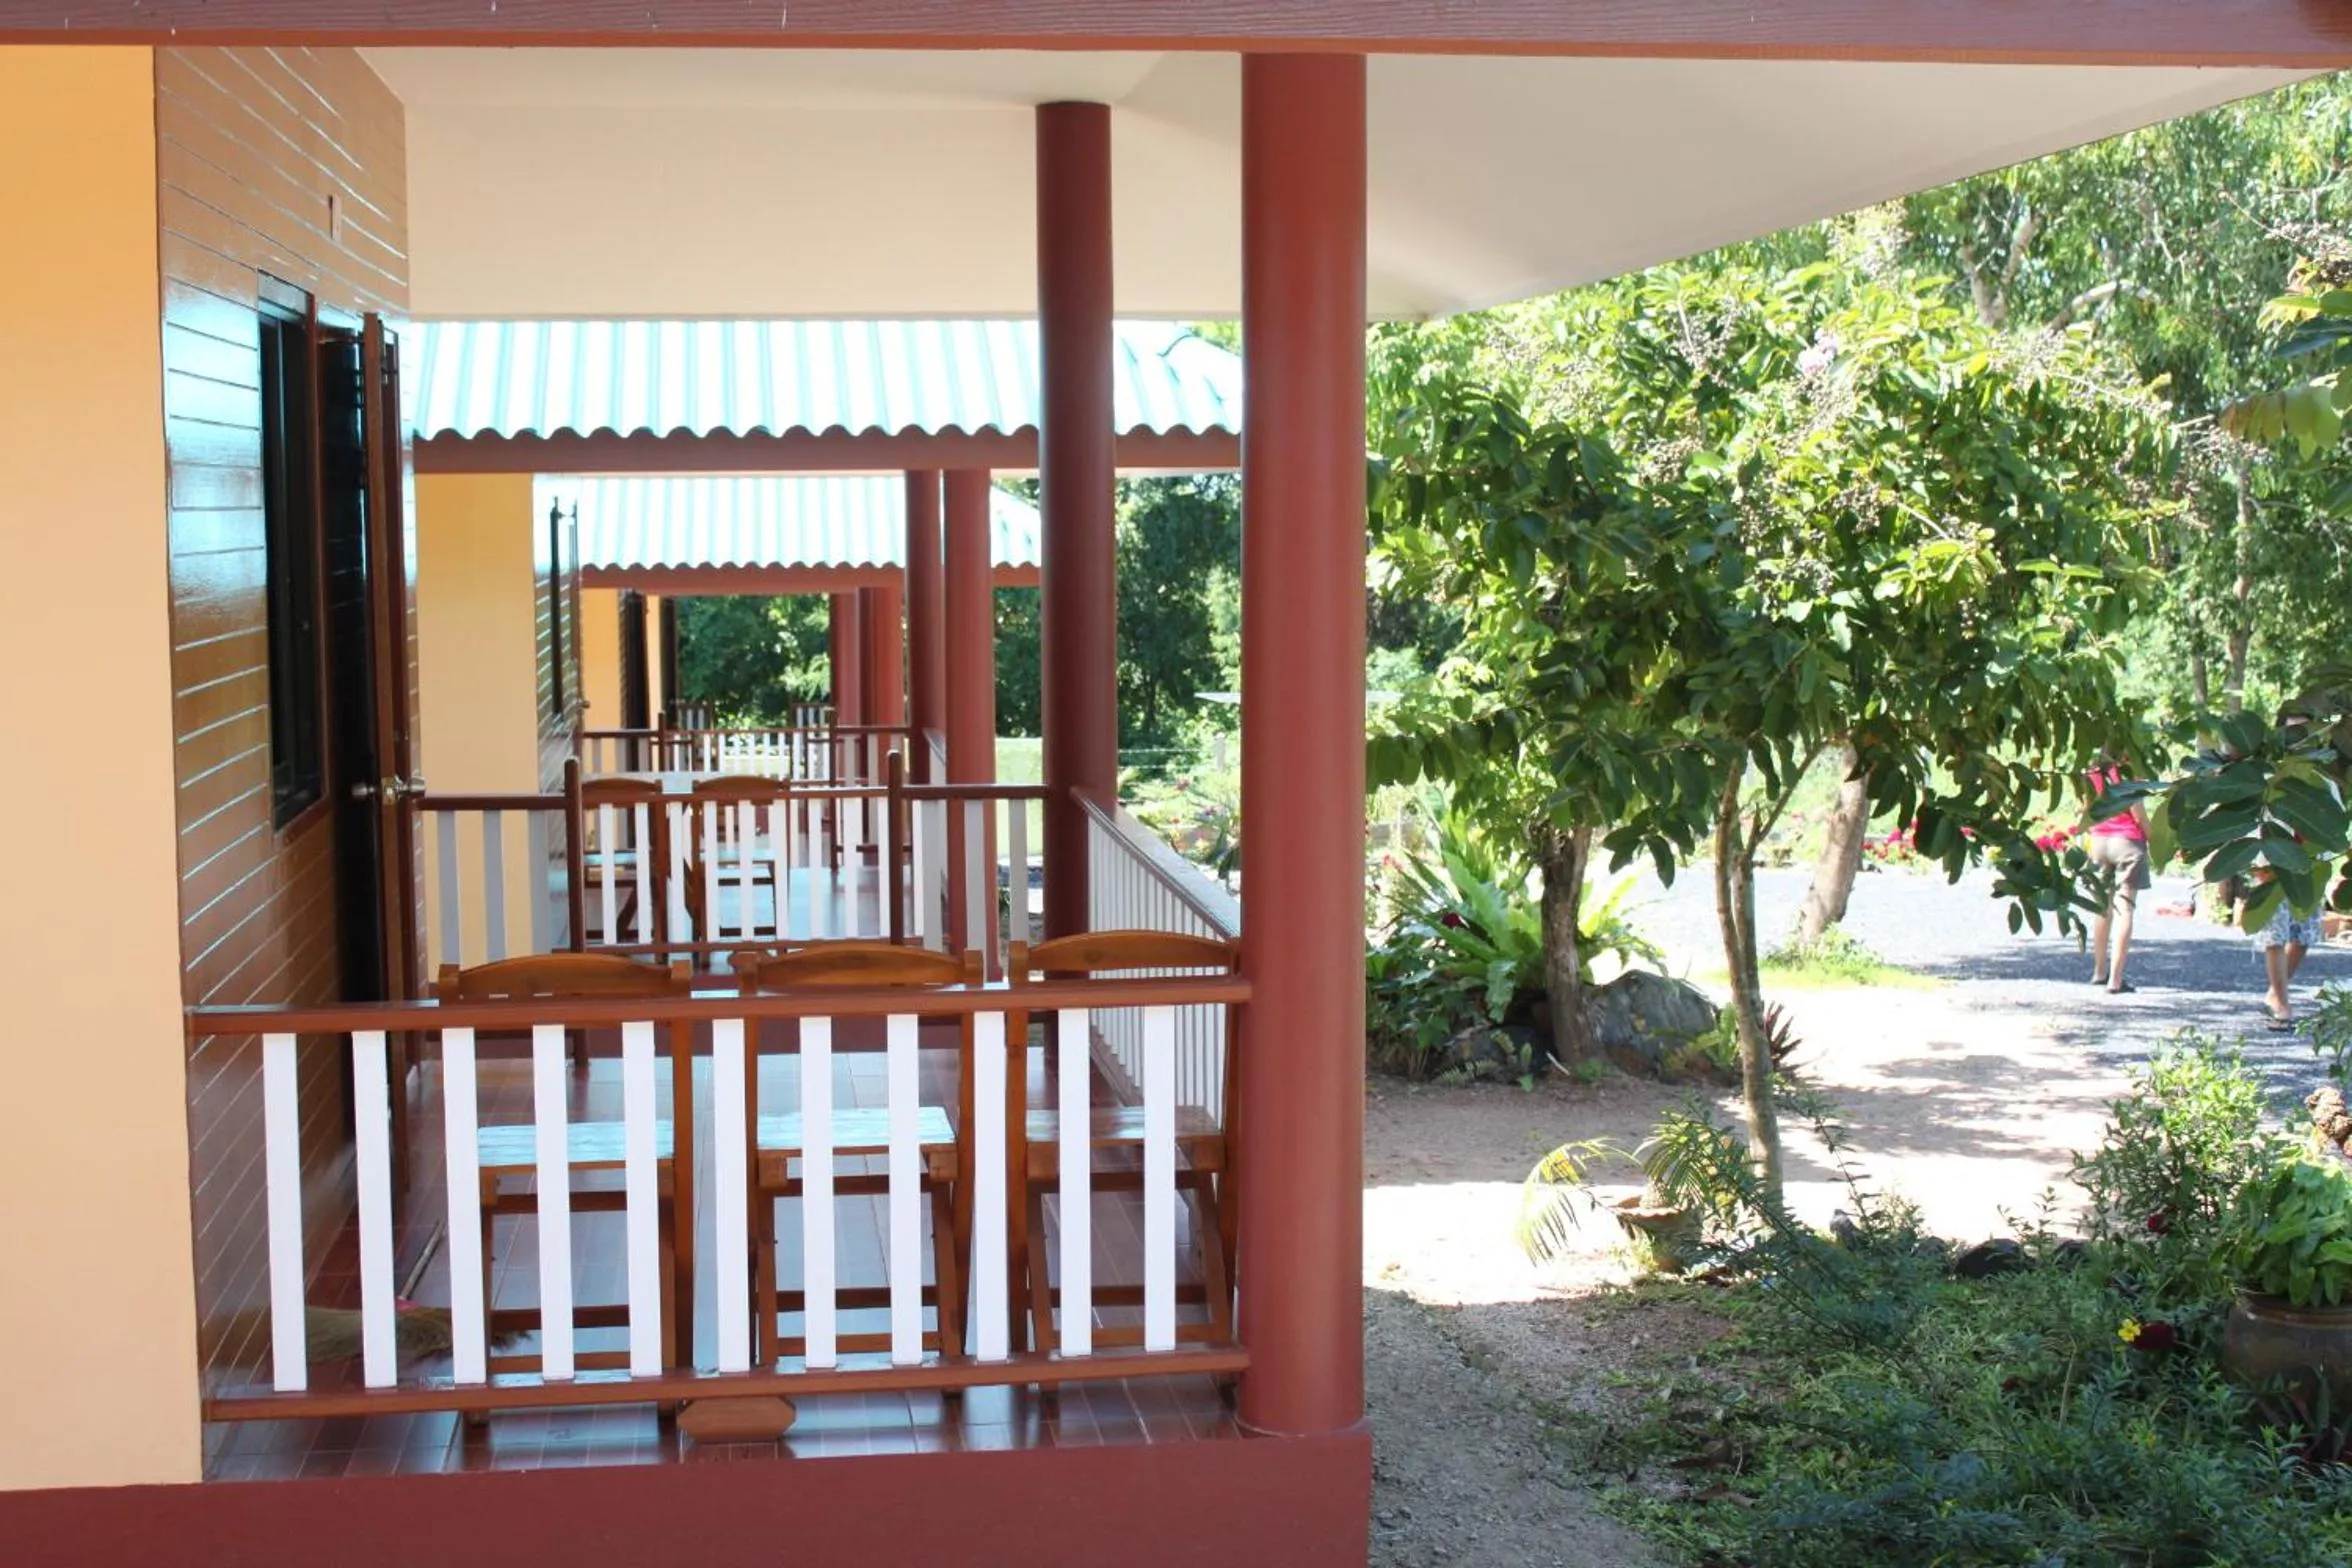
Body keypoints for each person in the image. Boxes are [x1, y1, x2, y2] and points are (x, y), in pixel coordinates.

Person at [2084, 754, 2152, 994]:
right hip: (2127, 842)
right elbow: (2139, 815)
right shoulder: (2126, 774)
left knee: (2101, 907)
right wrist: (2155, 840)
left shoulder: (2090, 772)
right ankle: (2115, 979)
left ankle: (2099, 971)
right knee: (2125, 909)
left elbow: (2086, 809)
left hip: (2099, 840)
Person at [2252, 881, 2323, 1031]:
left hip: (2310, 868)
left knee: (2304, 936)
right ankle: (2281, 1003)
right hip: (2272, 869)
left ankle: (2275, 993)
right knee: (2274, 937)